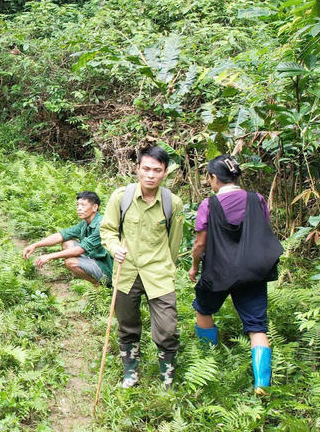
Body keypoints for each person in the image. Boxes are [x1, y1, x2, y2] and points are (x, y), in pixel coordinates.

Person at [187, 155, 283, 396]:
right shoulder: (256, 199)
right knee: (257, 328)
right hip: (253, 272)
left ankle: (208, 360)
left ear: (213, 178)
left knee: (203, 309)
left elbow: (200, 244)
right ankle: (262, 385)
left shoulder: (209, 205)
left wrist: (194, 267)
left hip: (218, 271)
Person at [99, 145, 185, 389]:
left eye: (157, 170)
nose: (150, 175)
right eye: (146, 168)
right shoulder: (121, 198)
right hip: (126, 272)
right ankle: (131, 374)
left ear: (165, 172)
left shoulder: (173, 203)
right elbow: (107, 230)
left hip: (159, 273)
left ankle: (166, 377)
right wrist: (114, 247)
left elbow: (174, 242)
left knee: (167, 328)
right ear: (137, 169)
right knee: (127, 326)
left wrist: (168, 266)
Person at [21, 191, 112, 286]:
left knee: (71, 262)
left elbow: (80, 250)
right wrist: (35, 245)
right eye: (77, 205)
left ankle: (98, 284)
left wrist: (49, 256)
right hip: (93, 258)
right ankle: (88, 273)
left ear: (94, 207)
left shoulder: (101, 225)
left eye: (83, 205)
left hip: (107, 268)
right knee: (67, 242)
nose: (79, 208)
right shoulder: (85, 223)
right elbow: (62, 235)